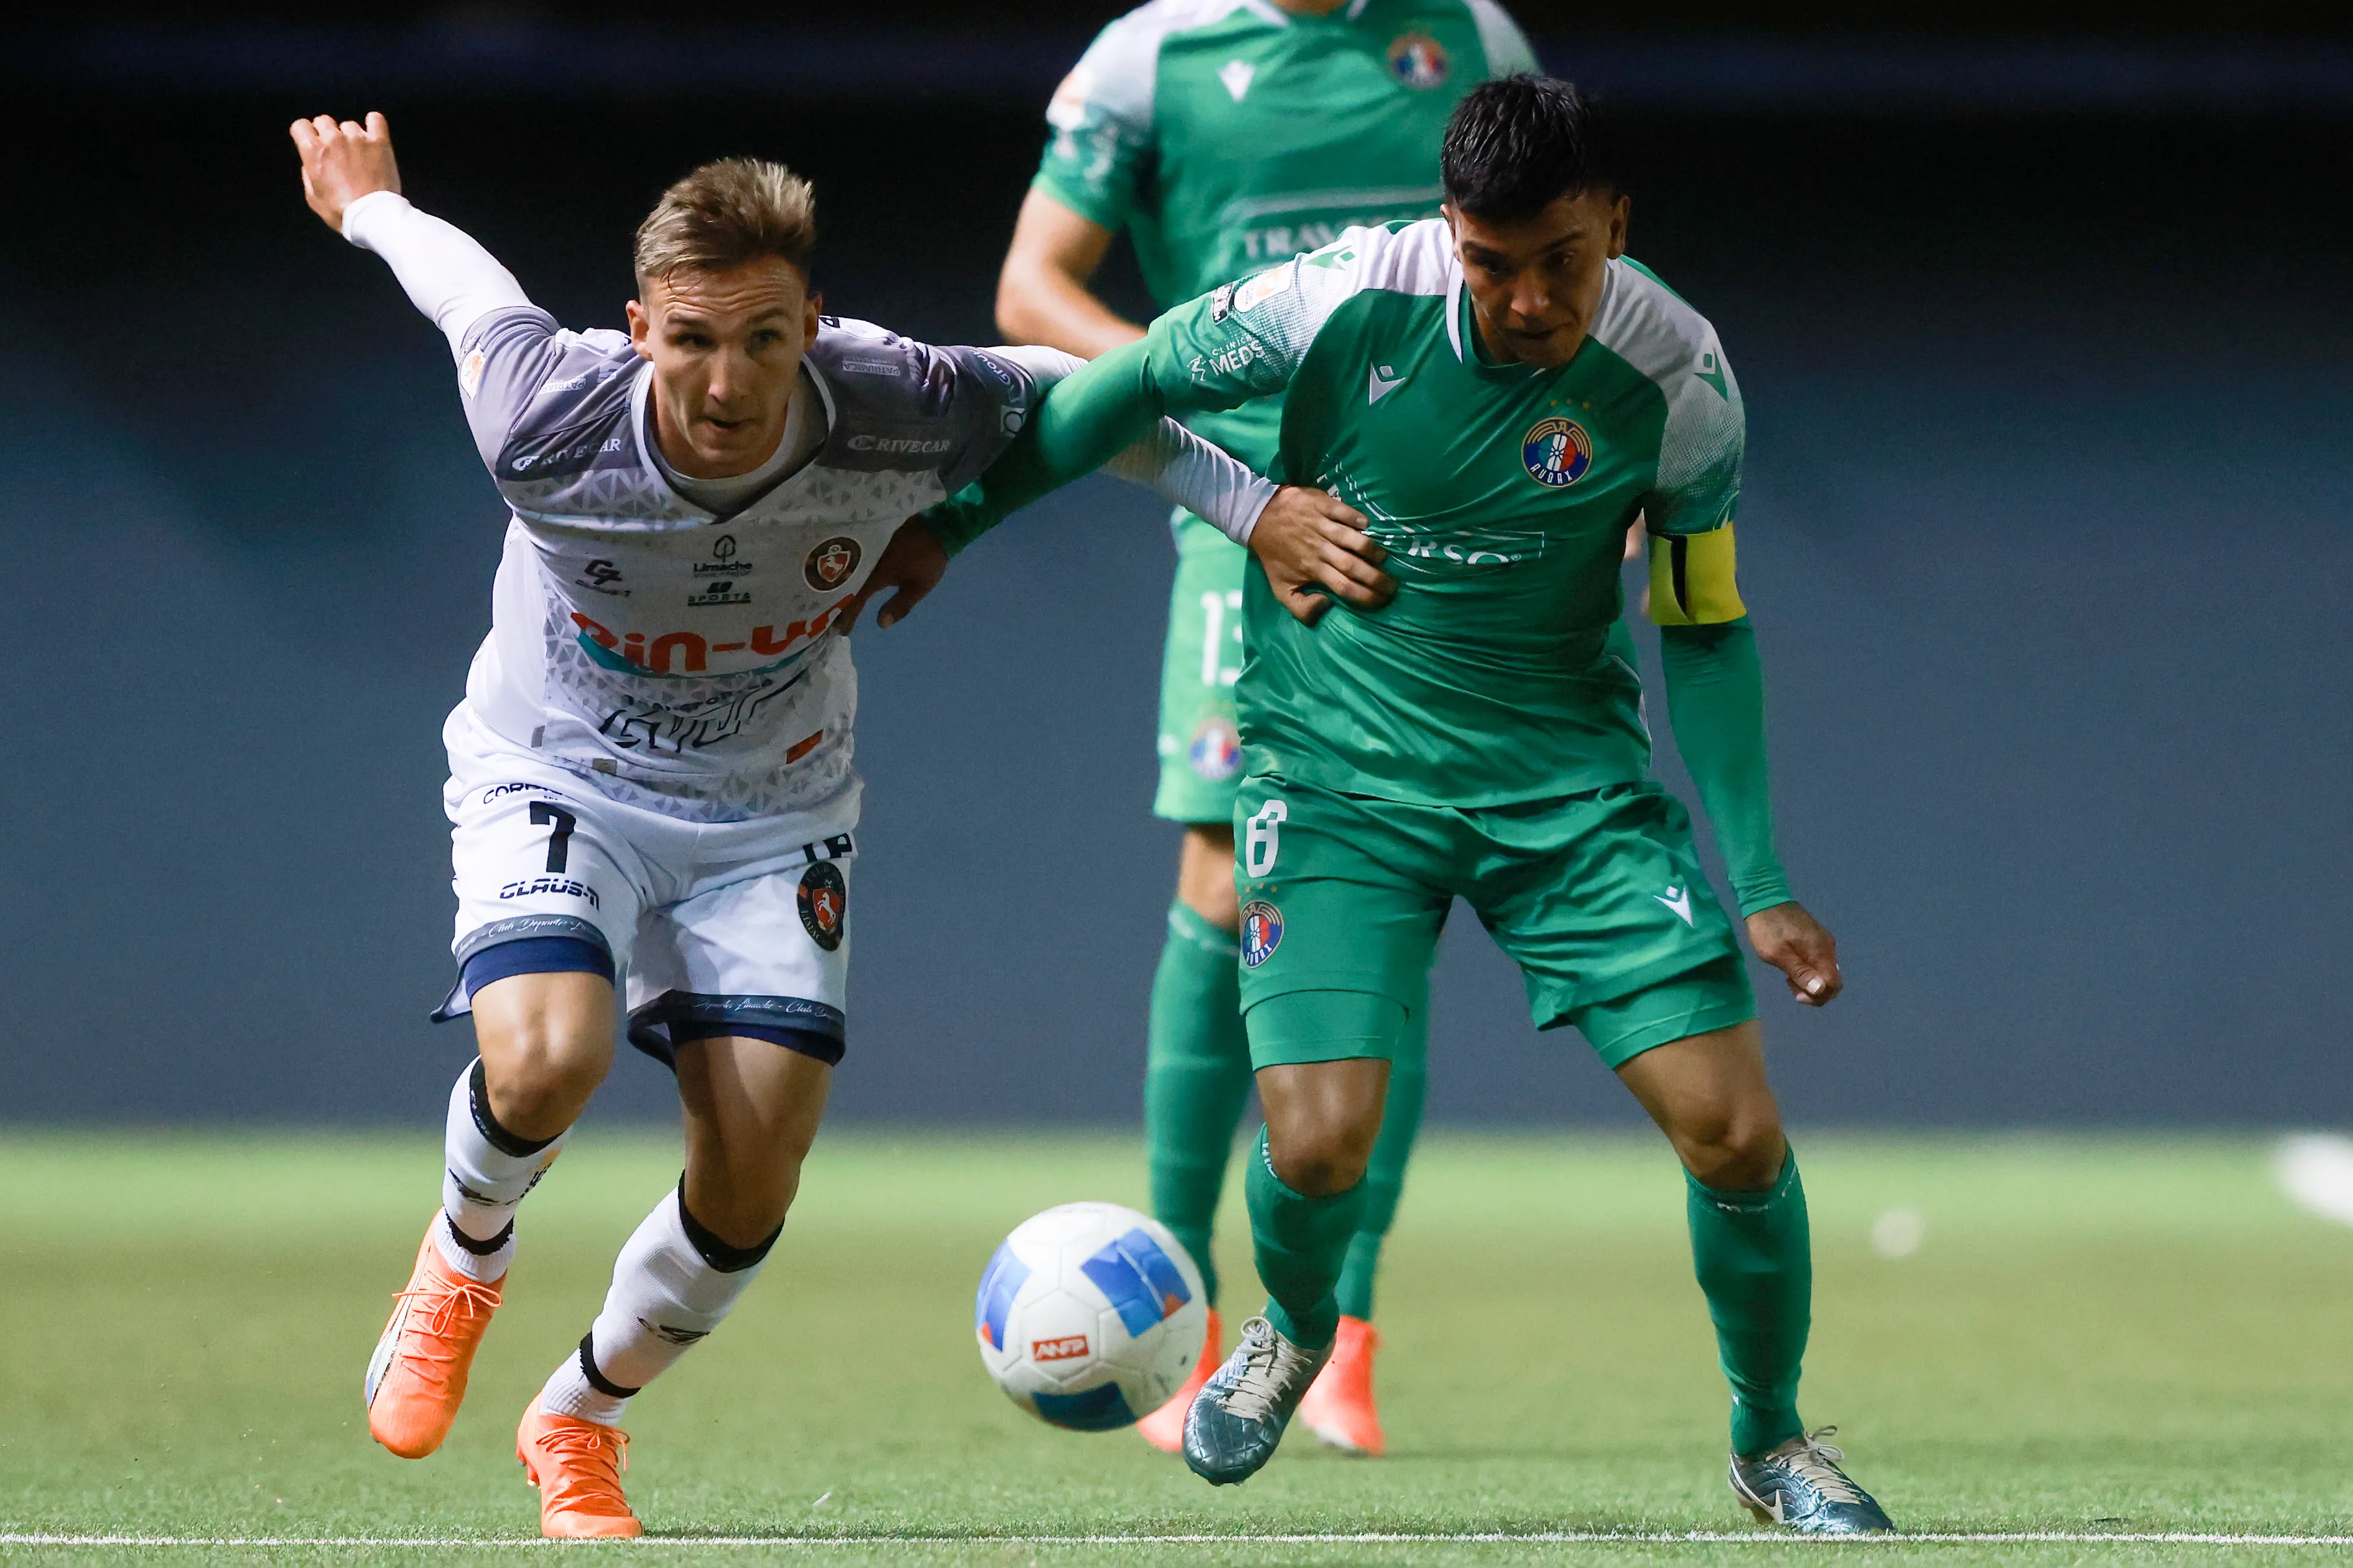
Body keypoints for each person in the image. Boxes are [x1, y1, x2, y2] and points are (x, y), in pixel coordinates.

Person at [287, 110, 1351, 1539]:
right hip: (558, 772)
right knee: (545, 1057)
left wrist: (1255, 506)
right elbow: (463, 289)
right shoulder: (546, 413)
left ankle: (579, 1417)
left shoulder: (896, 398)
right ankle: (463, 1258)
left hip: (773, 810)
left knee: (751, 1181)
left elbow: (1091, 395)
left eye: (765, 340)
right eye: (690, 340)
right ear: (637, 330)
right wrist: (371, 205)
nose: (727, 381)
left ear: (813, 326)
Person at [920, 76, 1895, 1533]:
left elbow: (1702, 619)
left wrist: (1757, 876)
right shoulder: (1337, 296)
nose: (1524, 299)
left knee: (1735, 1132)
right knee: (1317, 1140)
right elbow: (1121, 384)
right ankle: (1296, 1324)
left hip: (1569, 798)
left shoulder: (1679, 373)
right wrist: (958, 522)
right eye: (1490, 262)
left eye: (1561, 259)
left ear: (1616, 225)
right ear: (1448, 231)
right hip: (1336, 782)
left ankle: (1771, 1441)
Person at [994, 0, 1539, 1457]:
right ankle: (1170, 1306)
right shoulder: (1150, 57)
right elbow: (1031, 288)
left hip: (1442, 519)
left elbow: (1552, 258)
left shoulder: (1467, 35)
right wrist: (1199, 389)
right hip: (1245, 513)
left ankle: (1342, 1333)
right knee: (1225, 882)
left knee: (1395, 897)